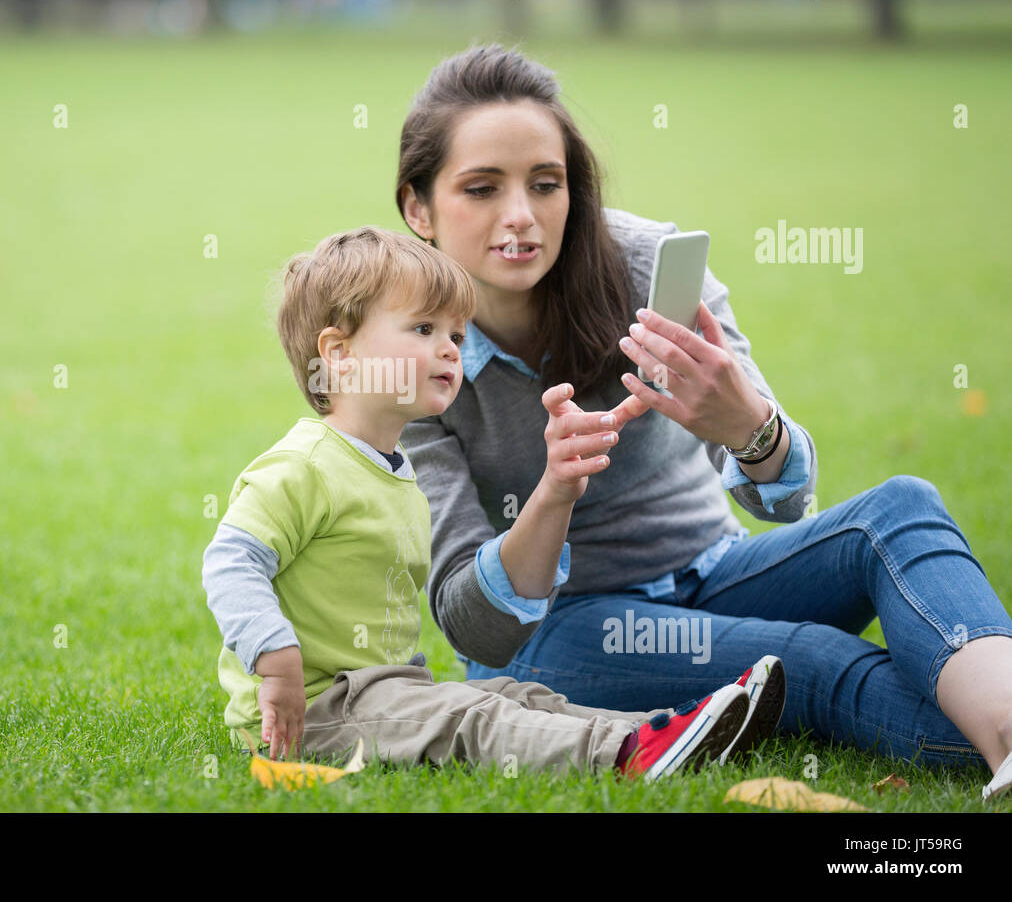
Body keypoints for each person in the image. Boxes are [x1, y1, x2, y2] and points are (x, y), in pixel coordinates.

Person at [394, 43, 1012, 801]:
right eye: (481, 188)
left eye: (545, 184)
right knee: (805, 662)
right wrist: (554, 494)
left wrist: (748, 427)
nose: (520, 216)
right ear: (417, 207)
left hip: (715, 574)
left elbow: (785, 502)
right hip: (563, 632)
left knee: (901, 508)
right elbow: (475, 627)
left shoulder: (652, 265)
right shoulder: (408, 356)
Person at [200, 225, 784, 781]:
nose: (452, 350)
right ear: (340, 352)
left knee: (512, 694)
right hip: (309, 714)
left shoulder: (394, 468)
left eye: (456, 335)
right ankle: (627, 755)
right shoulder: (304, 464)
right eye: (424, 329)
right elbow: (230, 560)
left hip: (383, 690)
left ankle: (661, 733)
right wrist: (275, 660)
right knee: (471, 717)